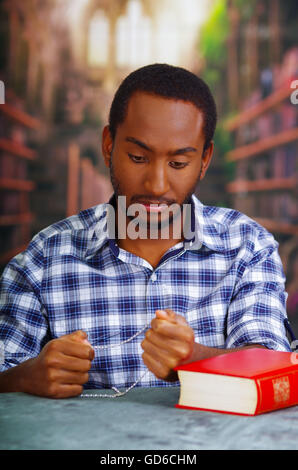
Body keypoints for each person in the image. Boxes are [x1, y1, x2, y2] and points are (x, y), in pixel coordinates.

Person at [0, 64, 292, 398]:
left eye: (178, 164)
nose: (156, 185)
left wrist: (194, 360)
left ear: (205, 159)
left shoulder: (247, 246)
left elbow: (276, 368)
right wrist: (24, 378)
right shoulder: (43, 259)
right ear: (108, 145)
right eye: (138, 157)